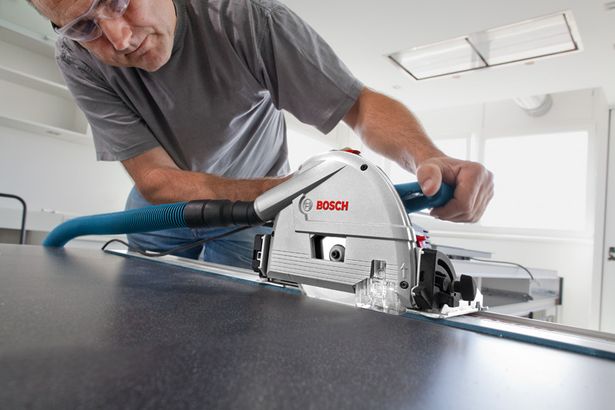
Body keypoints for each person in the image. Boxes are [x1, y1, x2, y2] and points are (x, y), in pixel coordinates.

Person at [28, 0, 493, 268]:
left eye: (118, 0)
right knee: (143, 308)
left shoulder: (245, 19)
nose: (120, 37)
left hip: (258, 207)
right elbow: (155, 178)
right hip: (163, 207)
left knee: (236, 329)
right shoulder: (76, 57)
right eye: (84, 25)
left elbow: (359, 105)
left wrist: (428, 158)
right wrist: (288, 192)